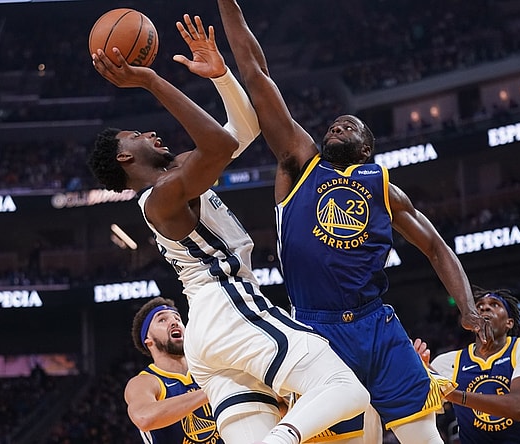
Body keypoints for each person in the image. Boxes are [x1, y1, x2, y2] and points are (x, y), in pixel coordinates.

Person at [213, 1, 492, 442]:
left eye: (349, 126)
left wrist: (468, 307)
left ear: (366, 149)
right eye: (334, 125)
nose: (337, 127)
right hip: (315, 330)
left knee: (425, 438)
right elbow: (256, 74)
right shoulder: (299, 163)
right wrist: (228, 4)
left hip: (376, 325)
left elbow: (436, 248)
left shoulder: (383, 187)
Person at [88, 15, 369, 444]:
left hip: (209, 334)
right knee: (346, 389)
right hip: (231, 307)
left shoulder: (179, 172)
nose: (150, 133)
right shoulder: (161, 197)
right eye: (136, 135)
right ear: (124, 158)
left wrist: (220, 75)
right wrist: (151, 81)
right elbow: (219, 145)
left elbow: (243, 131)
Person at [424, 287, 520, 443]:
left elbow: (519, 407)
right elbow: (419, 408)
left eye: (495, 304)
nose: (485, 307)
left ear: (509, 323)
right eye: (479, 306)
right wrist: (416, 367)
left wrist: (453, 394)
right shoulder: (446, 362)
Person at [125, 297, 224, 443]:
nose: (174, 322)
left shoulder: (209, 368)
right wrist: (211, 390)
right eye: (162, 320)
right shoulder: (145, 381)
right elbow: (144, 418)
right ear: (148, 339)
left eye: (177, 318)